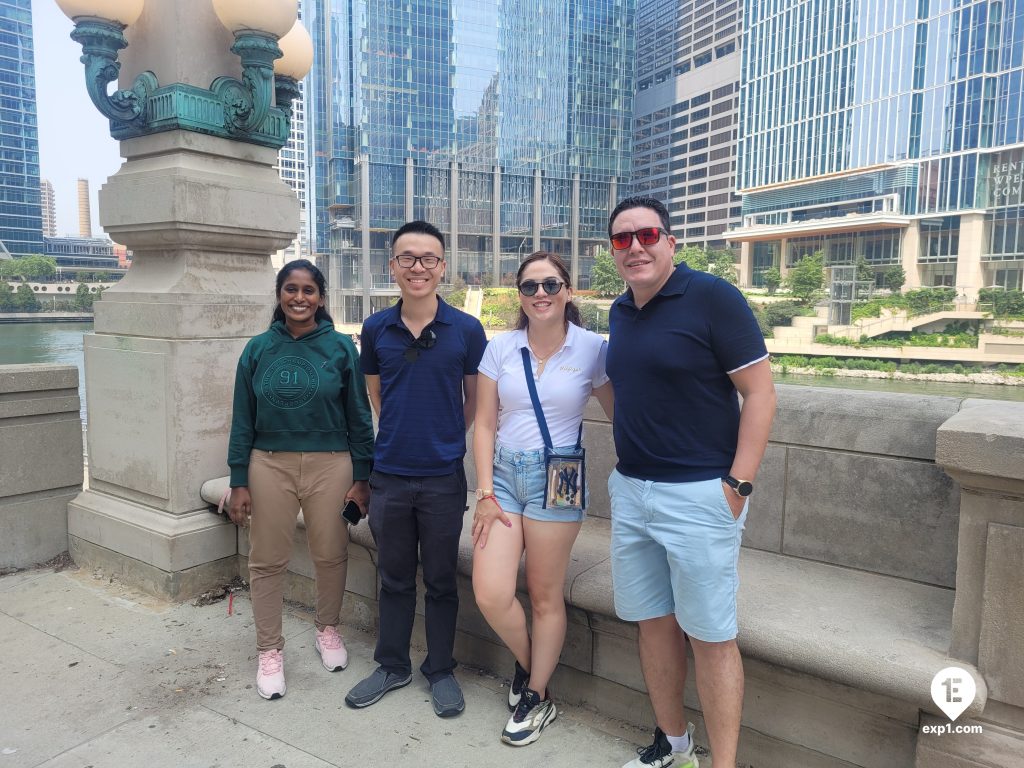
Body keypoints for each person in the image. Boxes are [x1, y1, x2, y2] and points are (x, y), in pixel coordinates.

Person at [605, 197, 776, 768]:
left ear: (671, 242)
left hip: (702, 496)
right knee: (652, 624)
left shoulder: (712, 297)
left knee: (710, 635)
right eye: (623, 239)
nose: (637, 247)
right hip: (633, 492)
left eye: (647, 234)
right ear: (613, 252)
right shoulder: (620, 312)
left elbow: (760, 393)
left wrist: (739, 485)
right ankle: (673, 744)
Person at [345, 220, 487, 718]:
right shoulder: (375, 328)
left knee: (443, 580)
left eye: (428, 258)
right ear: (393, 266)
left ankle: (441, 669)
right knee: (395, 576)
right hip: (389, 475)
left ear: (442, 267)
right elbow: (377, 398)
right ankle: (392, 664)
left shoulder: (466, 330)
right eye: (407, 258)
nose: (418, 267)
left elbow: (473, 403)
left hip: (444, 477)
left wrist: (444, 438)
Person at [471, 252, 614, 746]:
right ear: (519, 296)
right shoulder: (501, 347)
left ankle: (536, 693)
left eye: (550, 284)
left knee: (546, 593)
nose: (541, 294)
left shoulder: (593, 347)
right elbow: (485, 423)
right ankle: (536, 665)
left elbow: (624, 414)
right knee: (490, 590)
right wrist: (485, 492)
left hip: (561, 479)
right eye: (530, 287)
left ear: (568, 290)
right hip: (505, 477)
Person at [227, 259, 375, 701]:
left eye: (308, 290)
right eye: (290, 289)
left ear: (321, 298)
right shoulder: (257, 349)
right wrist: (238, 479)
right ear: (279, 296)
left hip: (332, 463)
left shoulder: (340, 349)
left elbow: (359, 416)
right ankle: (269, 649)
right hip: (268, 463)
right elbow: (241, 420)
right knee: (266, 559)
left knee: (330, 552)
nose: (299, 298)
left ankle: (327, 629)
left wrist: (362, 476)